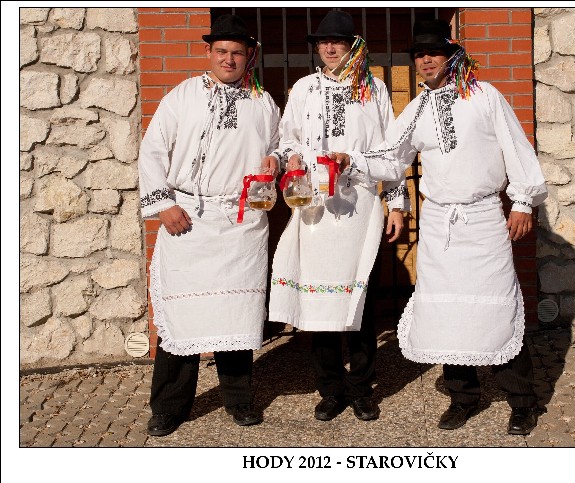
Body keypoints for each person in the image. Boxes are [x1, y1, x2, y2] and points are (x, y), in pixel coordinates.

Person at [331, 18, 547, 435]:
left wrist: (522, 202)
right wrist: (351, 160)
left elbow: (515, 146)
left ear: (452, 56)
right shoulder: (417, 108)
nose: (426, 60)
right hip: (437, 222)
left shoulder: (485, 96)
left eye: (433, 53)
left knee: (496, 308)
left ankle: (522, 401)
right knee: (447, 311)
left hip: (483, 218)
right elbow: (390, 157)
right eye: (419, 55)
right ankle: (463, 397)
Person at [138, 14, 281, 436]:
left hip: (241, 222)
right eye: (221, 51)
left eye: (237, 52)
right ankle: (168, 407)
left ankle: (239, 401)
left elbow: (279, 144)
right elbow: (152, 150)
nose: (228, 59)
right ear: (208, 52)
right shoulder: (183, 96)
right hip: (188, 216)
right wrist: (163, 205)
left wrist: (275, 159)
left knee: (236, 315)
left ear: (248, 56)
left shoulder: (263, 102)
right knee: (183, 316)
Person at [268, 10, 409, 422]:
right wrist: (291, 158)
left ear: (353, 46)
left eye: (338, 42)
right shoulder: (304, 89)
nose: (330, 49)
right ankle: (330, 389)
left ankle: (362, 389)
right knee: (318, 305)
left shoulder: (373, 89)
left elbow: (391, 152)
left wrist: (396, 204)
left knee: (359, 301)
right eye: (323, 42)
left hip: (358, 206)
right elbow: (287, 140)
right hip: (314, 208)